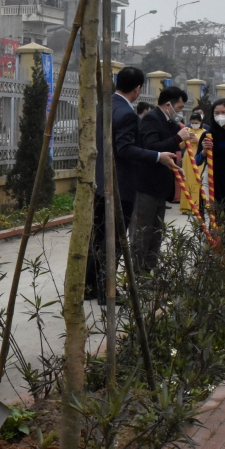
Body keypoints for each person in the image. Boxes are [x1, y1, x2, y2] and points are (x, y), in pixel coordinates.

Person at [86, 67, 177, 299]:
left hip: (99, 181)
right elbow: (124, 149)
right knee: (114, 239)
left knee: (98, 236)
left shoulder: (105, 105)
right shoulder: (126, 114)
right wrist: (158, 156)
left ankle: (90, 286)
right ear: (138, 89)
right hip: (119, 185)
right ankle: (107, 290)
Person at [131, 87, 192, 271]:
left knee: (156, 233)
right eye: (179, 108)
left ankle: (151, 271)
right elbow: (152, 148)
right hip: (146, 187)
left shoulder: (170, 123)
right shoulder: (151, 119)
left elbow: (170, 152)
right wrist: (177, 138)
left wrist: (177, 167)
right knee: (142, 233)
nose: (180, 112)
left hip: (161, 188)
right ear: (168, 105)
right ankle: (138, 274)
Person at [179, 109, 206, 213]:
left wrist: (197, 140)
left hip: (198, 156)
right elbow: (180, 145)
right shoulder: (186, 130)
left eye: (197, 123)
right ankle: (186, 206)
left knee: (197, 181)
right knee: (186, 180)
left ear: (200, 122)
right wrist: (186, 141)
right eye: (193, 122)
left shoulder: (203, 132)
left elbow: (205, 145)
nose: (194, 124)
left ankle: (197, 205)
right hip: (187, 157)